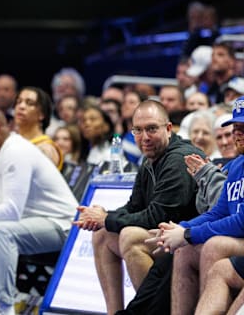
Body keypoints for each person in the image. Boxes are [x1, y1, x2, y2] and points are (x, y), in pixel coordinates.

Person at [74, 100, 203, 315]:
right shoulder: (150, 159)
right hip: (164, 237)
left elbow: (159, 216)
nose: (145, 137)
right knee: (103, 236)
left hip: (187, 241)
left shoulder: (179, 159)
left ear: (168, 128)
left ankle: (150, 311)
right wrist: (101, 218)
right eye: (138, 130)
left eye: (152, 129)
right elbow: (134, 206)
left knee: (131, 237)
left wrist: (106, 218)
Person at [0, 106, 78, 315]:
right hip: (29, 224)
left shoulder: (15, 151)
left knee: (2, 231)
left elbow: (11, 211)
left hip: (61, 225)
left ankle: (3, 306)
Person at [152, 96, 244, 314]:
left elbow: (242, 222)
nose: (237, 134)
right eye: (235, 127)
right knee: (184, 251)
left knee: (213, 245)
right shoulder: (236, 165)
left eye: (243, 128)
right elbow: (219, 212)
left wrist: (189, 233)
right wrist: (181, 228)